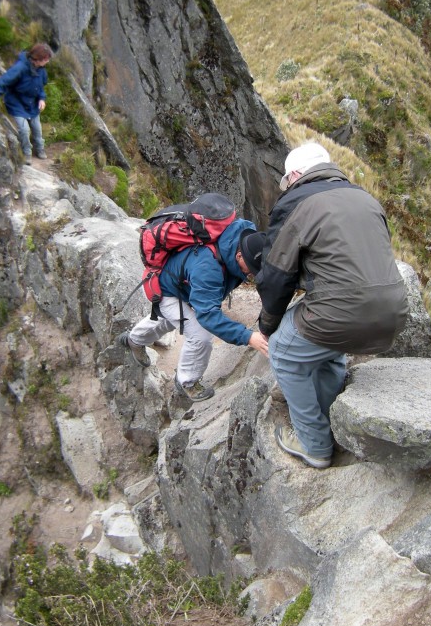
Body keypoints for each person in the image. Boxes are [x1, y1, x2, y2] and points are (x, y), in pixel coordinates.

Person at [255, 141, 408, 469]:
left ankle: (315, 445)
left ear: (295, 175)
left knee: (284, 350)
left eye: (286, 181)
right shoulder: (365, 198)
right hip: (394, 313)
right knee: (328, 346)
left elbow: (276, 276)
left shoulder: (296, 202)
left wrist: (267, 325)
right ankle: (332, 420)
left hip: (343, 314)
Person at [118, 218, 270, 401]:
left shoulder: (245, 237)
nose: (252, 274)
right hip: (163, 289)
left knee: (169, 319)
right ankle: (186, 382)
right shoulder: (208, 268)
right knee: (200, 333)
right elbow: (208, 317)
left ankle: (134, 340)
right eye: (252, 269)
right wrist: (248, 337)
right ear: (239, 256)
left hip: (178, 284)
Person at [0, 43, 53, 163]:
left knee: (37, 128)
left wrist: (42, 98)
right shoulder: (20, 68)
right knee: (24, 130)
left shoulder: (41, 70)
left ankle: (40, 149)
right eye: (46, 59)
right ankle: (26, 152)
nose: (47, 62)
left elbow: (40, 87)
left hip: (32, 104)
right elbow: (3, 82)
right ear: (37, 59)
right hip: (17, 103)